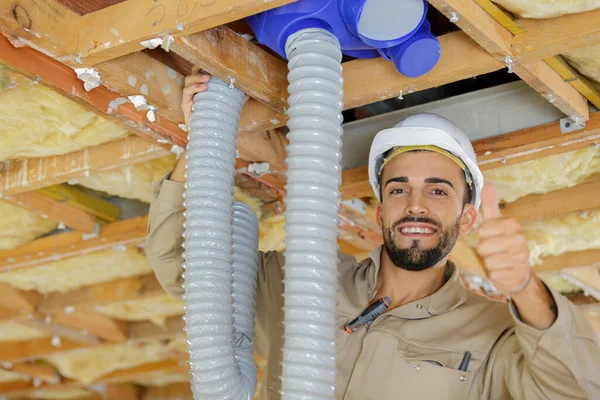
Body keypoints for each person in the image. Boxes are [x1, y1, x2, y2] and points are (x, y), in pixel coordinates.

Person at [146, 70, 600, 399]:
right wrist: (205, 135)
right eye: (399, 188)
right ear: (381, 211)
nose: (415, 204)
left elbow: (578, 388)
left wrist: (524, 288)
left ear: (466, 219)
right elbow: (185, 265)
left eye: (437, 191)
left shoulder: (493, 335)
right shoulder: (299, 282)